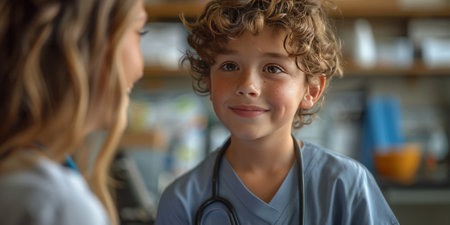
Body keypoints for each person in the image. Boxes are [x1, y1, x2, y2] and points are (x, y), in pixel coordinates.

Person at [155, 0, 399, 224]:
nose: (247, 86)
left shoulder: (346, 187)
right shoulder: (182, 201)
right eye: (229, 66)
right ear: (209, 81)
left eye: (273, 68)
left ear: (311, 90)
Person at [0, 0, 147, 224]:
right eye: (139, 32)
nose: (141, 67)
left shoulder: (19, 179)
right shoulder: (56, 205)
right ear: (95, 46)